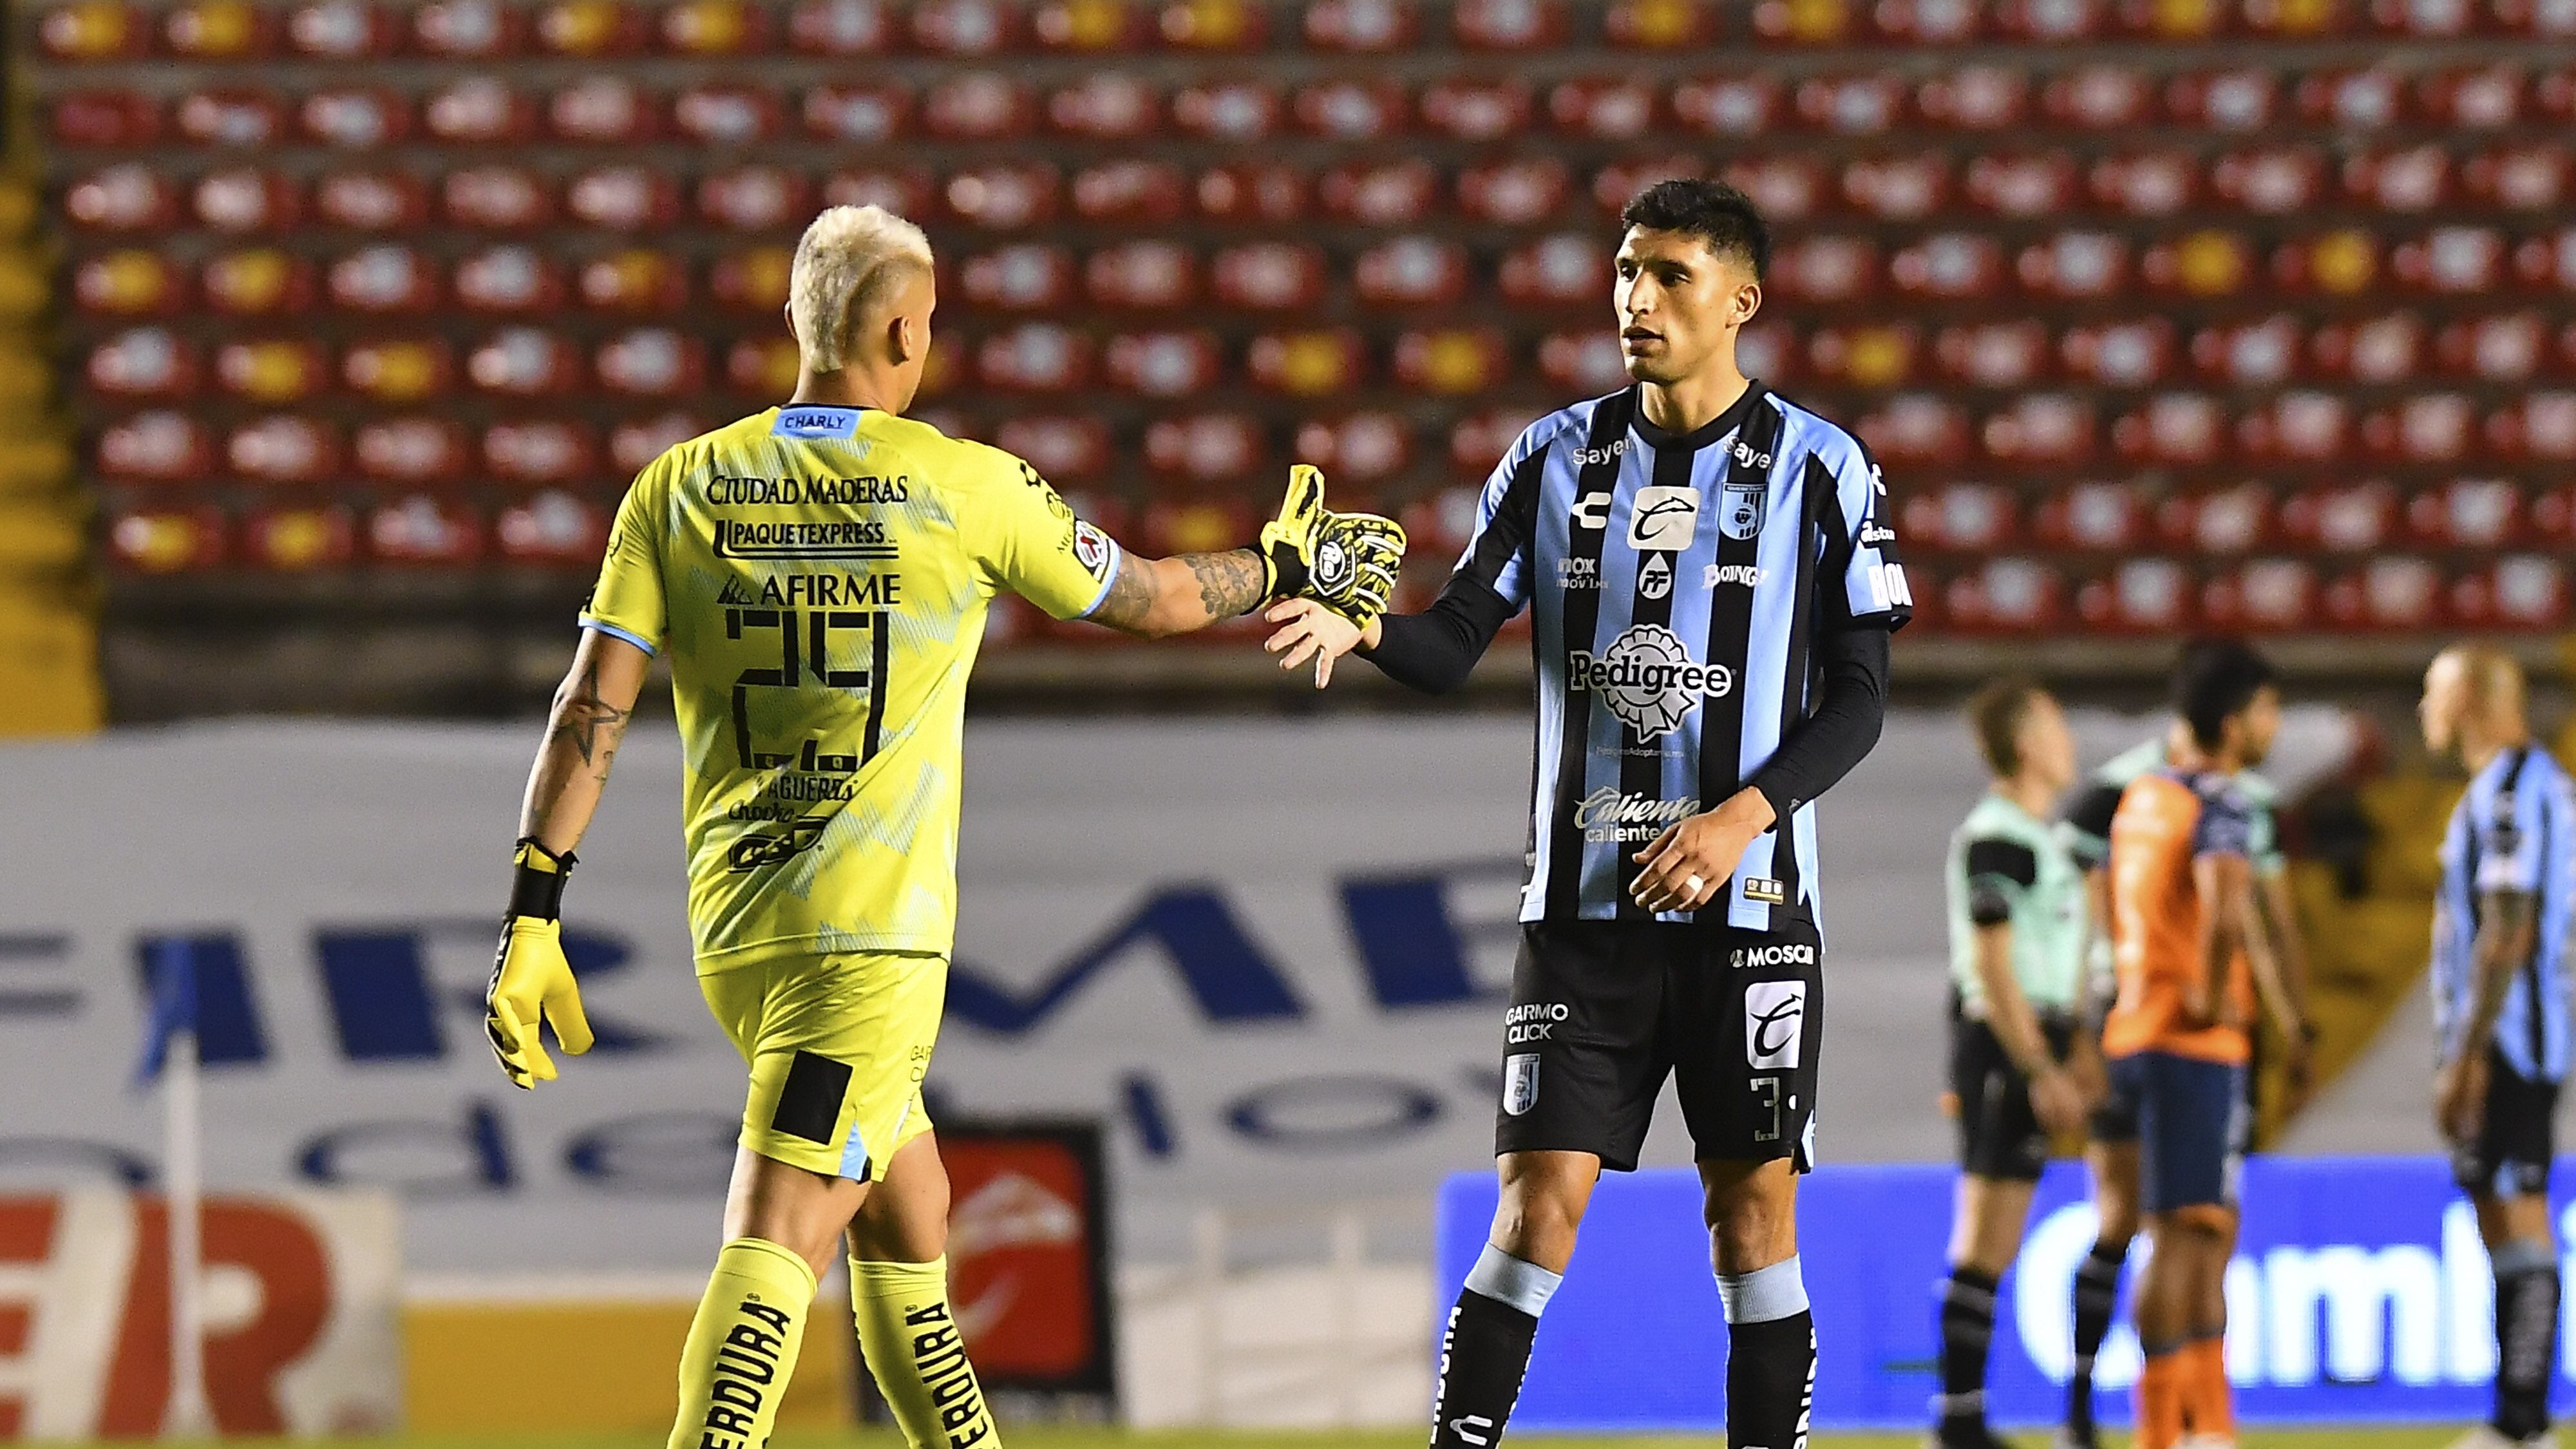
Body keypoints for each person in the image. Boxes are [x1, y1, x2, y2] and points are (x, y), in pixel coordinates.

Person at [477, 204, 1406, 1449]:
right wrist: (1280, 568)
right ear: (907, 329)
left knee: (912, 1216)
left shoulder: (681, 488)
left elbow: (591, 706)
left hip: (742, 941)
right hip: (869, 944)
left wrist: (535, 915)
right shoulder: (963, 486)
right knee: (780, 1230)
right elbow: (1154, 599)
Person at [1267, 177, 1910, 1449]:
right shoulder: (1553, 456)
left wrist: (1738, 820)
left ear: (1740, 300)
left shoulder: (1822, 469)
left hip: (1752, 918)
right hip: (1577, 915)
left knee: (1750, 1224)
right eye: (1624, 270)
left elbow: (1860, 701)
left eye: (1668, 275)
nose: (1635, 297)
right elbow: (1456, 641)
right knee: (1532, 1210)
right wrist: (1365, 630)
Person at [2054, 641, 2311, 1449]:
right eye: (2267, 711)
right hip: (2190, 1043)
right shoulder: (2222, 804)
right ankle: (2164, 1431)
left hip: (2130, 1030)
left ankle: (2207, 1429)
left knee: (2189, 1235)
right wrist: (2209, 995)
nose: (2271, 725)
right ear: (2235, 722)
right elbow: (2227, 905)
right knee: (2183, 1236)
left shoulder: (2141, 798)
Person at [2421, 644, 2573, 1449]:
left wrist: (2469, 1054)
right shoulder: (2514, 788)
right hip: (2518, 1039)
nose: (2423, 710)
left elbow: (2506, 929)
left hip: (2511, 1044)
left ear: (2472, 696)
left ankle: (2520, 1425)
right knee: (2504, 1222)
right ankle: (2518, 1418)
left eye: (2431, 692)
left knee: (2516, 1220)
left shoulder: (2512, 792)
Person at [1933, 679, 2092, 1449]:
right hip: (2006, 1044)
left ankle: (1961, 1417)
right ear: (2027, 743)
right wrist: (2038, 1066)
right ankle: (1957, 1420)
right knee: (1983, 1232)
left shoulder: (2035, 837)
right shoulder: (1998, 834)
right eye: (2057, 726)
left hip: (2030, 1039)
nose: (2068, 745)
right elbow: (1993, 969)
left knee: (1997, 1235)